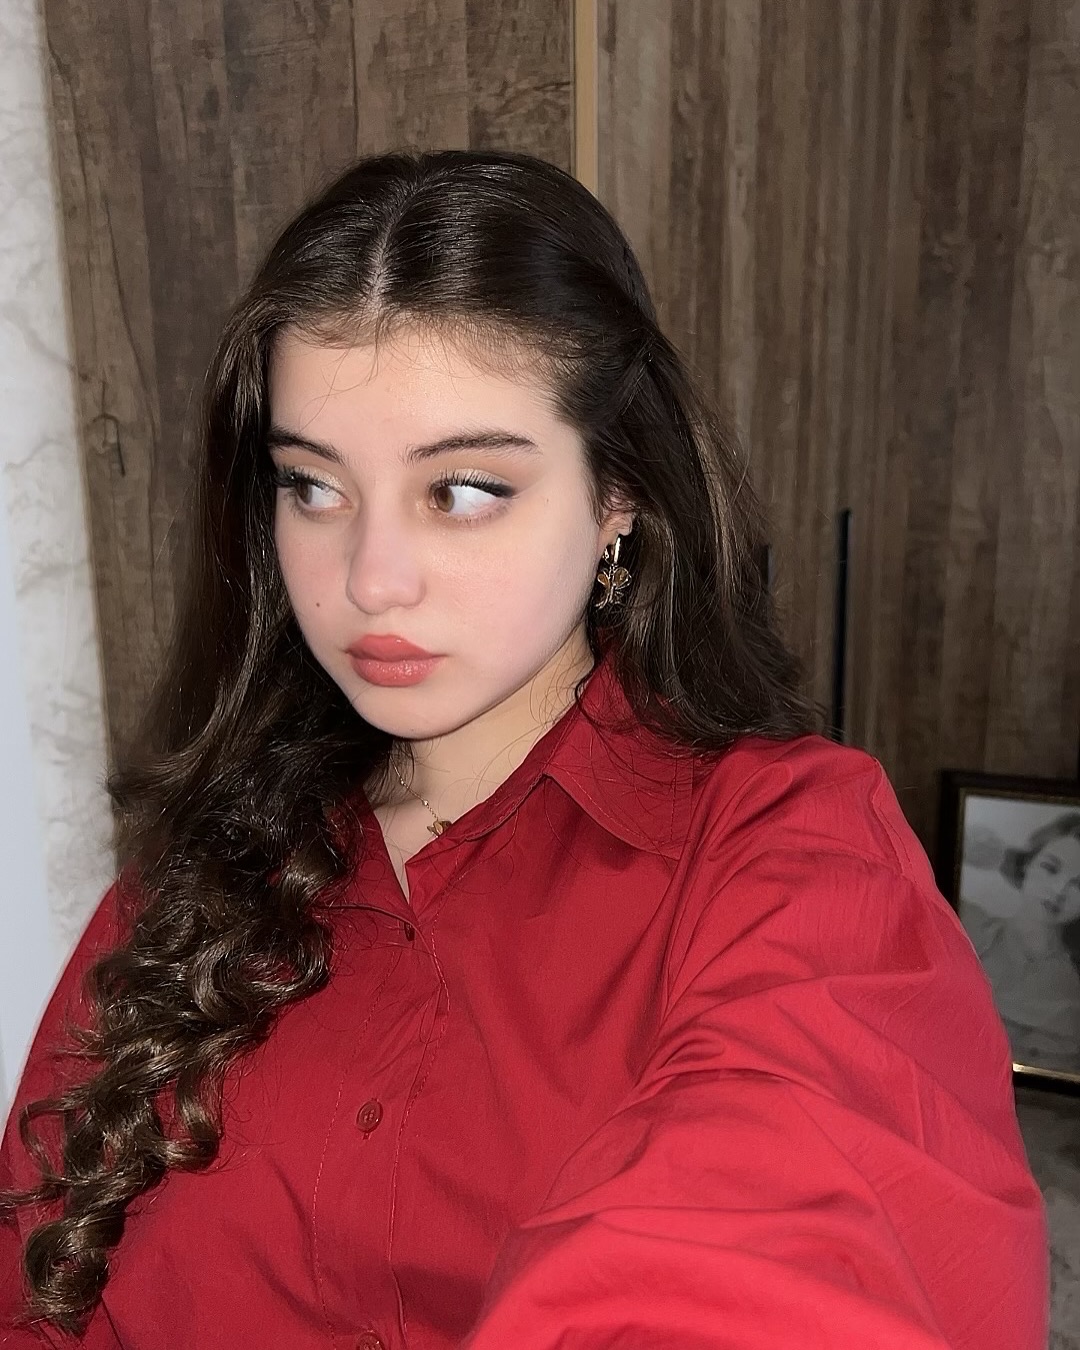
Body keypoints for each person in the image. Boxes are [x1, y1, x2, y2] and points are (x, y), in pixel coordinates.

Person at [0, 150, 1046, 1349]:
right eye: (314, 487)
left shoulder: (787, 853)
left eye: (462, 490)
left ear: (618, 497)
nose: (371, 579)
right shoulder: (201, 864)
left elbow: (795, 1229)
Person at [959, 811, 1080, 1074]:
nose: (1059, 890)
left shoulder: (1073, 984)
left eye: (1078, 884)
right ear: (1027, 865)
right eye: (1050, 868)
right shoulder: (967, 925)